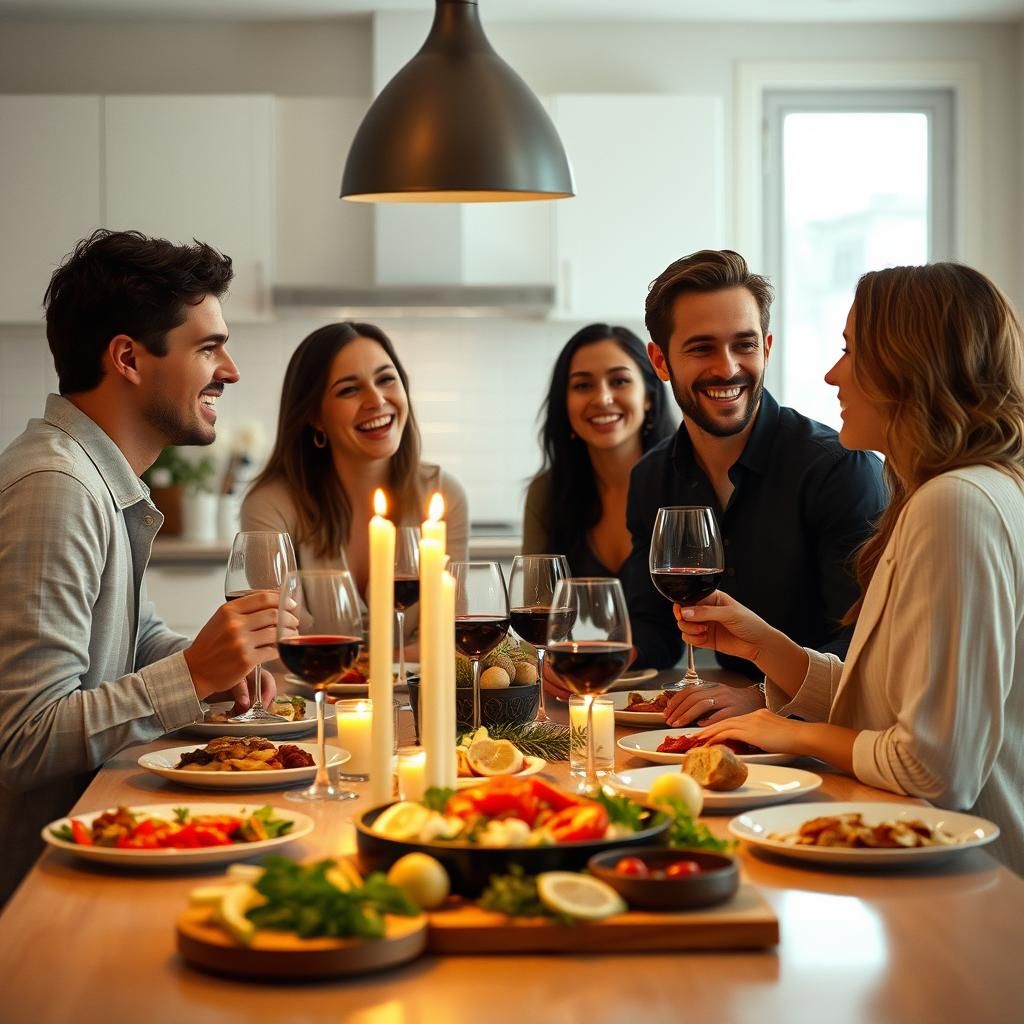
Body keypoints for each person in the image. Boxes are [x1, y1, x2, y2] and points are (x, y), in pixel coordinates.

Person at [679, 262, 1024, 873]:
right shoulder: (942, 495)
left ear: (906, 366)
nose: (832, 374)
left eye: (850, 351)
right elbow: (890, 711)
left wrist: (790, 732)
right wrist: (770, 650)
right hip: (930, 860)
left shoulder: (957, 505)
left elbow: (933, 771)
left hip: (975, 879)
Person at [0, 229, 286, 905]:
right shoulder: (57, 486)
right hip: (36, 893)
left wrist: (215, 663)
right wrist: (193, 674)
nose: (232, 370)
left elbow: (131, 640)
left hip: (89, 851)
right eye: (209, 347)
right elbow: (24, 741)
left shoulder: (100, 480)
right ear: (127, 357)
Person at [613, 249, 887, 723]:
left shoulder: (840, 469)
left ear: (766, 347)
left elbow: (866, 643)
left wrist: (764, 697)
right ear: (660, 360)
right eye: (701, 348)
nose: (727, 368)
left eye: (743, 344)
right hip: (725, 722)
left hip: (829, 729)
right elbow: (653, 628)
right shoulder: (652, 476)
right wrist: (598, 654)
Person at [241, 322, 468, 599]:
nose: (376, 400)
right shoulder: (270, 506)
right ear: (315, 416)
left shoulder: (444, 494)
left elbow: (452, 628)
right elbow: (277, 633)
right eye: (349, 390)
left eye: (386, 379)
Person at [522, 323, 675, 576]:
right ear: (565, 404)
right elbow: (537, 607)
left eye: (619, 381)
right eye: (583, 386)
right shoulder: (546, 493)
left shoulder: (688, 483)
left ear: (648, 396)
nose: (603, 398)